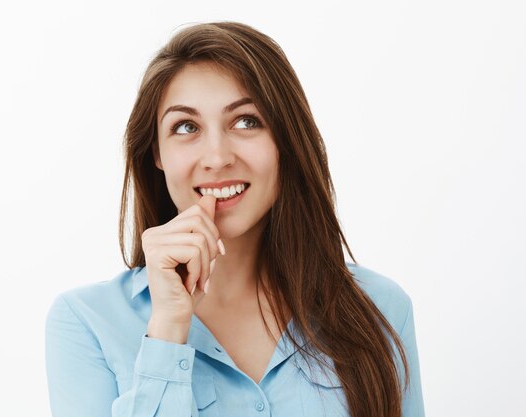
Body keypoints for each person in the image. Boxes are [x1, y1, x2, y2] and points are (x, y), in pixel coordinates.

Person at [45, 21, 425, 417]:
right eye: (186, 127)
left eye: (246, 121)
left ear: (286, 140)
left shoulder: (380, 309)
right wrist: (167, 330)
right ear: (156, 153)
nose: (217, 157)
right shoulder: (85, 322)